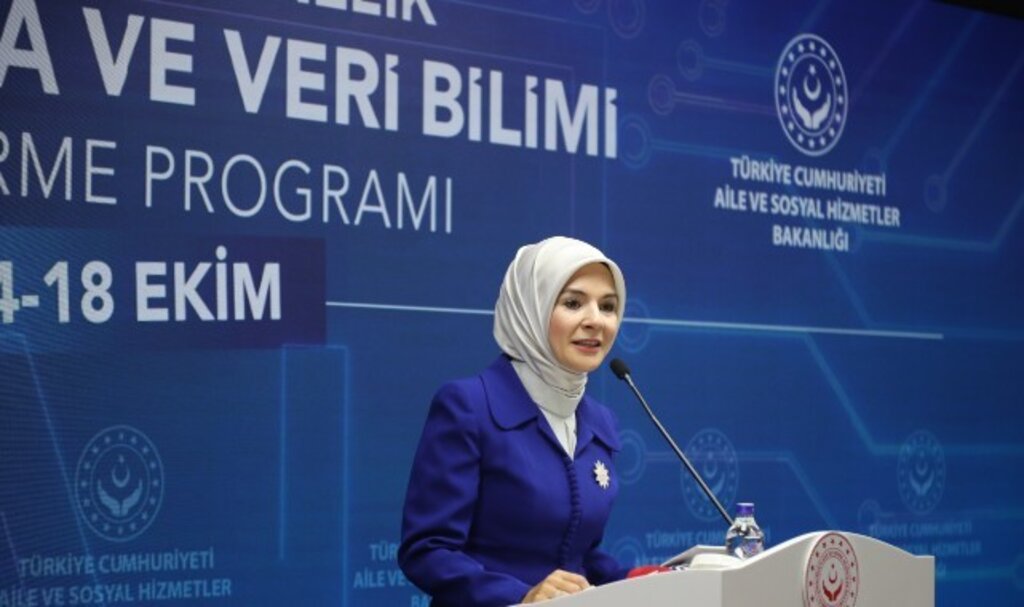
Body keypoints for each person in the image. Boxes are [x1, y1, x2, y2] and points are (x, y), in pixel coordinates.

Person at [398, 236, 629, 606]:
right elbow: (427, 550)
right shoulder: (468, 406)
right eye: (573, 303)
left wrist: (652, 580)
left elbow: (581, 556)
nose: (595, 321)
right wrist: (521, 597)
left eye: (608, 306)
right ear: (530, 308)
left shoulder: (601, 422)